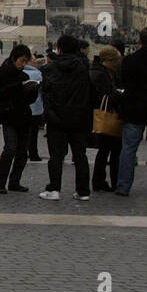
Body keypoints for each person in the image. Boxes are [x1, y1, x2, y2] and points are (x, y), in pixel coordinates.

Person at [39, 35, 92, 201]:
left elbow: (45, 94)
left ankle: (54, 189)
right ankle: (83, 191)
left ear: (59, 49)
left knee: (56, 156)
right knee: (80, 155)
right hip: (79, 118)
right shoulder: (84, 68)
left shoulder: (49, 69)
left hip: (57, 119)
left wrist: (49, 114)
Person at [0, 44, 37, 193]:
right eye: (22, 61)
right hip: (8, 116)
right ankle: (0, 183)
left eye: (26, 62)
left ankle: (14, 182)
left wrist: (32, 91)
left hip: (24, 116)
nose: (23, 64)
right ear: (14, 58)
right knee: (10, 149)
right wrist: (18, 87)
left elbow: (29, 100)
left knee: (22, 152)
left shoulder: (25, 76)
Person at [115, 27, 147, 197]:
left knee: (129, 149)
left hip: (134, 108)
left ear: (139, 40)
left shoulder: (129, 60)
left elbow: (122, 82)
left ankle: (123, 186)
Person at [89, 45, 123, 192]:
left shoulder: (97, 71)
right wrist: (119, 94)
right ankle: (103, 180)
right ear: (109, 60)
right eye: (115, 60)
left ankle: (100, 180)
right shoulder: (104, 74)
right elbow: (106, 95)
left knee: (104, 151)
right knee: (110, 150)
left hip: (101, 114)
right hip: (107, 115)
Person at [24, 56, 45, 160]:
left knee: (23, 132)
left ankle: (22, 152)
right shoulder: (37, 74)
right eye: (34, 61)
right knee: (33, 133)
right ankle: (33, 153)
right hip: (35, 108)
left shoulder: (20, 72)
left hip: (22, 108)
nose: (36, 62)